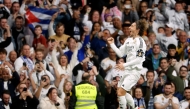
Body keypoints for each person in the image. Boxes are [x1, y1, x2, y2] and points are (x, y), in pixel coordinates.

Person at [107, 19, 147, 109]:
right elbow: (121, 54)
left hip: (134, 71)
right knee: (120, 91)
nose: (129, 27)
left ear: (138, 30)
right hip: (127, 71)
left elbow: (139, 59)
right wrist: (112, 44)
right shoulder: (128, 40)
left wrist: (124, 65)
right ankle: (135, 108)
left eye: (132, 26)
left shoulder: (141, 42)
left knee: (120, 92)